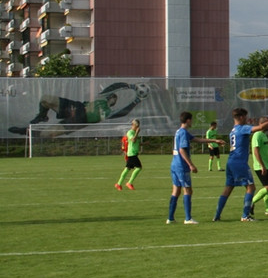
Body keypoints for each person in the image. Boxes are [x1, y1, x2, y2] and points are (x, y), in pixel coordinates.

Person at [213, 109, 268, 222]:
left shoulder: (233, 130)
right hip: (239, 162)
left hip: (230, 161)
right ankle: (245, 216)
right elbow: (260, 127)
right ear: (241, 117)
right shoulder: (242, 128)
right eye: (245, 117)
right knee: (251, 187)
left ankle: (217, 215)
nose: (247, 119)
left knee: (228, 188)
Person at [9, 82, 148, 135]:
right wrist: (131, 86)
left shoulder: (109, 112)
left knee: (48, 133)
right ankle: (42, 116)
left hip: (80, 120)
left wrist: (137, 100)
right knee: (46, 99)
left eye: (115, 100)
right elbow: (114, 86)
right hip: (77, 107)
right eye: (113, 97)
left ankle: (24, 131)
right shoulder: (102, 97)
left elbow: (123, 112)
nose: (114, 98)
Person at [168, 111, 223, 224]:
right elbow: (182, 150)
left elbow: (197, 140)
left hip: (174, 164)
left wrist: (214, 140)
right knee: (188, 190)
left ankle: (170, 218)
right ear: (188, 120)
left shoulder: (179, 131)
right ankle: (188, 218)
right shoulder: (183, 133)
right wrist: (191, 165)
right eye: (191, 120)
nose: (192, 122)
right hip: (181, 166)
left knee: (176, 191)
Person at [115, 119, 142, 191]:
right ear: (133, 125)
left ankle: (118, 184)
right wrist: (137, 133)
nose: (138, 127)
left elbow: (135, 143)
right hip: (132, 153)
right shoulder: (130, 132)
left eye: (138, 126)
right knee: (138, 168)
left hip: (133, 153)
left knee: (127, 169)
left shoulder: (134, 133)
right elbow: (133, 140)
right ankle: (129, 183)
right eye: (136, 125)